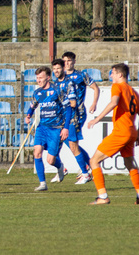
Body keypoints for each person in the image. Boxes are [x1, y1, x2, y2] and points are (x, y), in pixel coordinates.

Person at [85, 63, 139, 205]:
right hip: (131, 132)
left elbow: (114, 102)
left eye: (112, 73)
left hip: (121, 132)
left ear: (120, 75)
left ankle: (102, 196)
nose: (111, 75)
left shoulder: (117, 87)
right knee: (129, 163)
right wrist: (138, 134)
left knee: (94, 161)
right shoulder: (133, 92)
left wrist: (97, 118)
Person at [25, 63, 70, 192]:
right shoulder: (37, 93)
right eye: (37, 78)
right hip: (42, 127)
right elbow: (32, 106)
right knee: (37, 152)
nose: (38, 80)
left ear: (48, 78)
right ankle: (42, 183)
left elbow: (68, 109)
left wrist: (65, 128)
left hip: (55, 128)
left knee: (51, 160)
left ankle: (60, 167)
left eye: (41, 78)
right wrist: (28, 115)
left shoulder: (57, 90)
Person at [61, 51, 100, 184]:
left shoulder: (81, 75)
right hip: (64, 113)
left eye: (69, 61)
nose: (67, 63)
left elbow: (95, 88)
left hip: (77, 113)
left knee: (72, 142)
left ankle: (86, 169)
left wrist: (94, 103)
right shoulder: (61, 76)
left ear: (74, 61)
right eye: (65, 61)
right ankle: (87, 164)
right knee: (65, 138)